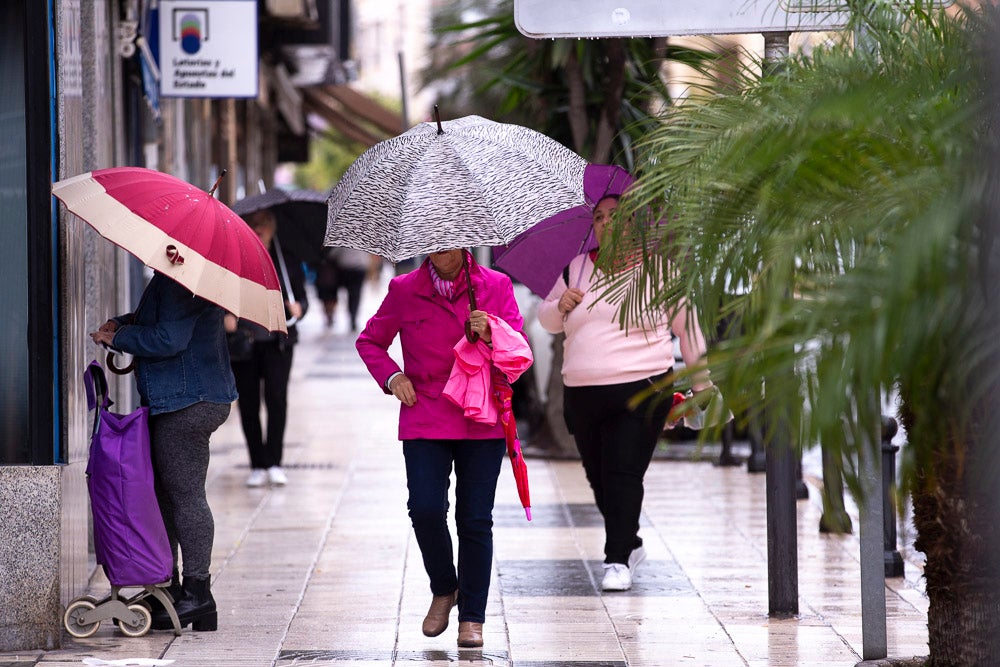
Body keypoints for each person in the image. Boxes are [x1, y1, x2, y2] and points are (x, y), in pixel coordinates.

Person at [537, 195, 712, 592]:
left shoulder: (660, 271)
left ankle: (616, 560)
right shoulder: (576, 268)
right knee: (599, 477)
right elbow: (546, 320)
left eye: (617, 216)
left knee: (622, 473)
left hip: (644, 386)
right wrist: (560, 305)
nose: (606, 223)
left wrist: (702, 386)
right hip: (582, 392)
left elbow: (690, 330)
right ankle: (629, 541)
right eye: (599, 217)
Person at [356, 249, 526, 648]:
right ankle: (444, 588)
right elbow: (370, 342)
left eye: (450, 237)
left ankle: (472, 617)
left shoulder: (495, 286)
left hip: (479, 413)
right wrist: (392, 376)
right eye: (435, 239)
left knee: (474, 519)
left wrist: (491, 332)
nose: (443, 246)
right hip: (425, 411)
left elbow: (518, 352)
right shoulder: (403, 289)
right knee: (426, 508)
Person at [89, 271, 237, 632]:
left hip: (187, 401)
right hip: (181, 398)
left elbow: (169, 338)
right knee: (168, 496)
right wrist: (121, 323)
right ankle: (170, 589)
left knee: (185, 496)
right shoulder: (175, 276)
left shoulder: (181, 279)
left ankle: (198, 592)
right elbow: (160, 322)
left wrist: (121, 337)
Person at [226, 210, 308, 488]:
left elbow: (302, 299)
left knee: (277, 400)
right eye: (255, 222)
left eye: (265, 223)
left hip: (278, 343)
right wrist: (227, 315)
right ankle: (257, 464)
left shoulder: (287, 260)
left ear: (273, 226)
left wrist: (301, 308)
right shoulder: (238, 256)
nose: (259, 227)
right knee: (248, 404)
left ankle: (274, 462)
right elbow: (225, 293)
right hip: (246, 342)